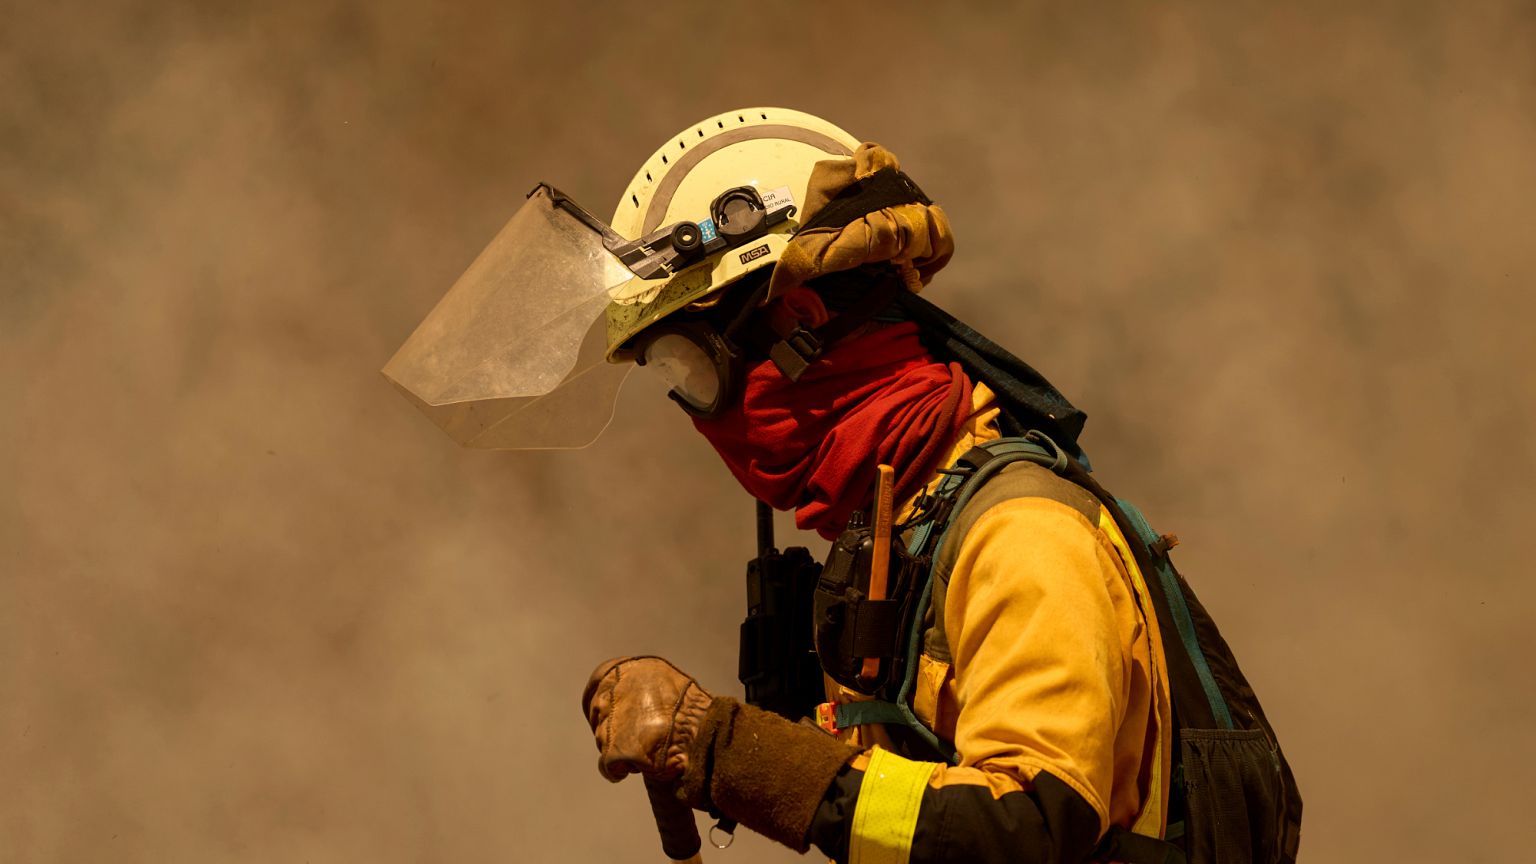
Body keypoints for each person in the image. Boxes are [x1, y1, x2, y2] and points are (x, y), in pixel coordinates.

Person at [385, 108, 1298, 864]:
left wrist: (726, 749)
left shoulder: (1020, 536)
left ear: (802, 321)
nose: (703, 416)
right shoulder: (906, 534)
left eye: (692, 367)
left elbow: (1024, 829)